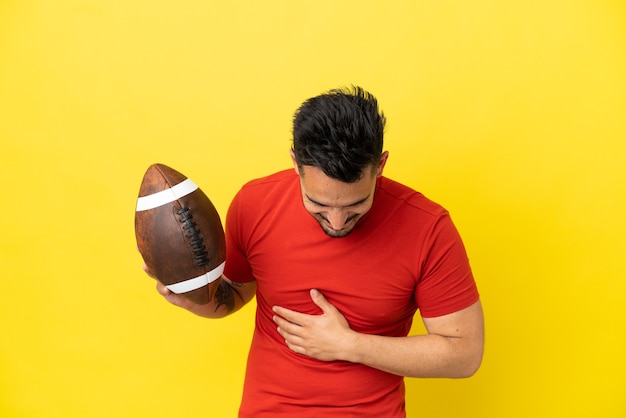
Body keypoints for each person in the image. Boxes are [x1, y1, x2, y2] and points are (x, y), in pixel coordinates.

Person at [144, 86, 484, 417]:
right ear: (295, 162)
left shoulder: (428, 228)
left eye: (356, 204)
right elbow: (232, 295)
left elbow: (464, 353)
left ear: (380, 165)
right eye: (318, 203)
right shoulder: (254, 204)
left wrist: (349, 345)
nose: (337, 222)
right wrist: (190, 294)